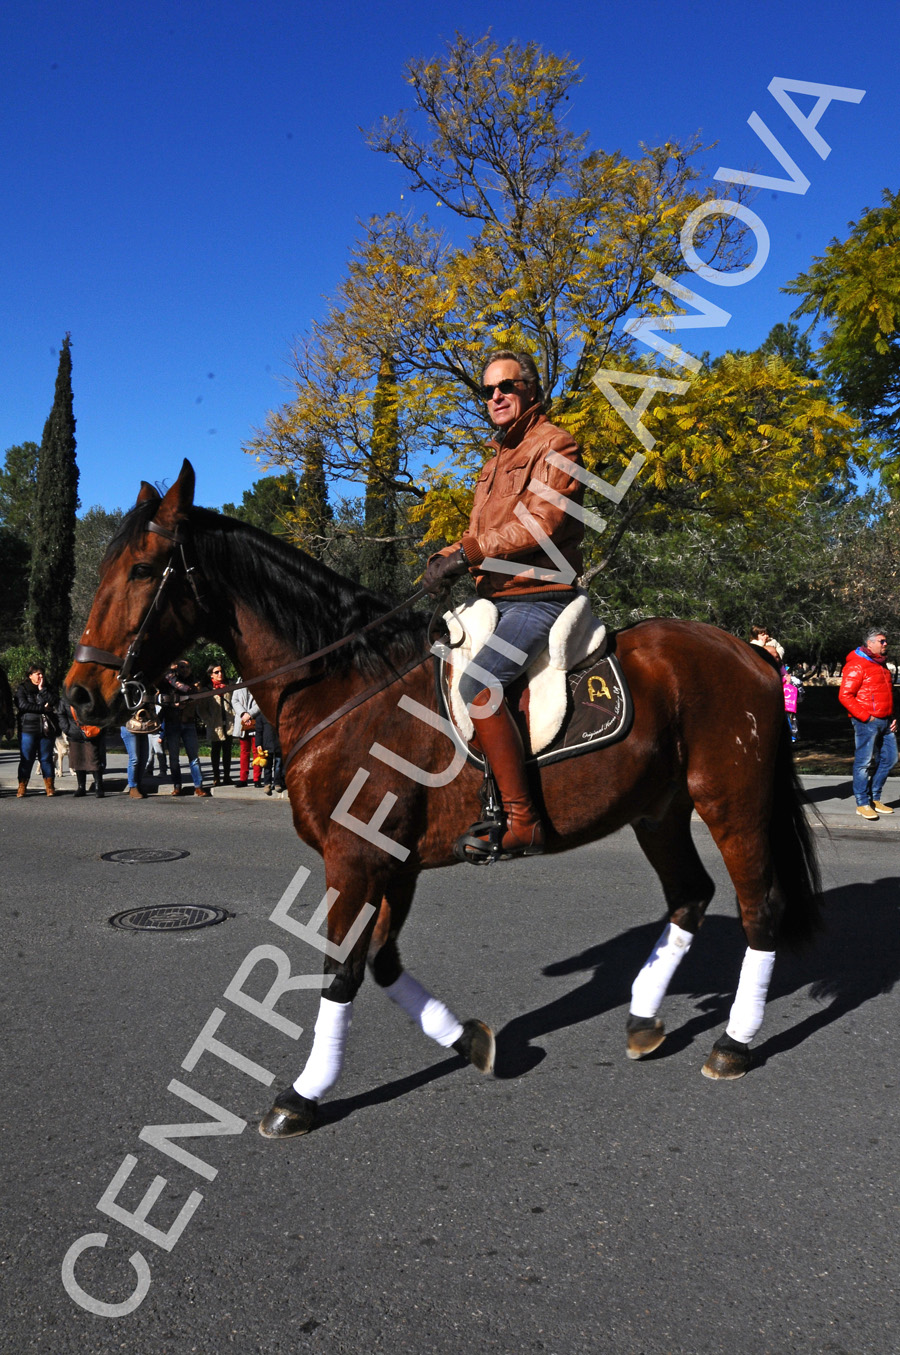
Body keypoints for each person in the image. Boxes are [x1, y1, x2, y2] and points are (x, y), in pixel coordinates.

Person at [422, 348, 585, 858]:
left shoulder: (557, 445)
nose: (495, 396)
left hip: (540, 598)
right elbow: (476, 533)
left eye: (506, 387)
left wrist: (468, 551)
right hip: (494, 598)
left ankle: (523, 820)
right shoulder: (492, 465)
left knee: (480, 683)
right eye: (487, 390)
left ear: (530, 392)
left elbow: (543, 523)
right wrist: (444, 557)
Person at [838, 628, 897, 820]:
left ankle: (874, 798)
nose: (885, 644)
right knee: (864, 762)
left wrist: (892, 716)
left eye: (885, 641)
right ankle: (862, 803)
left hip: (886, 721)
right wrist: (865, 717)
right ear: (869, 643)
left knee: (890, 758)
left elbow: (886, 694)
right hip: (867, 722)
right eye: (881, 641)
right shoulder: (857, 665)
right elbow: (845, 695)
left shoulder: (881, 665)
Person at [160, 661, 210, 797]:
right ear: (176, 668)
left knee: (194, 757)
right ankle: (177, 785)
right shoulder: (169, 681)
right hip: (172, 723)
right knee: (174, 758)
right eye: (182, 667)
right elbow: (162, 695)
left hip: (188, 723)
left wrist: (185, 700)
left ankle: (198, 786)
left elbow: (197, 698)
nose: (185, 669)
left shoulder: (194, 683)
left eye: (188, 666)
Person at [14, 662, 59, 797]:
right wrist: (42, 708)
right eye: (37, 673)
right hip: (28, 728)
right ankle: (22, 787)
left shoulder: (48, 688)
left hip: (46, 729)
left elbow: (55, 701)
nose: (40, 676)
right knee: (27, 758)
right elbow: (22, 705)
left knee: (46, 758)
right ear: (30, 675)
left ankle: (50, 787)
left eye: (42, 673)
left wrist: (42, 690)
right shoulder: (23, 689)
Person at [195, 663, 234, 786]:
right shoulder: (208, 689)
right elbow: (201, 708)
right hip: (215, 724)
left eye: (221, 671)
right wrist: (208, 720)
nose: (220, 674)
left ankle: (227, 776)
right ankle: (216, 776)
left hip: (228, 723)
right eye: (216, 672)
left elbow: (235, 701)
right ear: (211, 674)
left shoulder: (229, 686)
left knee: (227, 751)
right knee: (215, 751)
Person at [60, 703, 107, 797]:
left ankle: (99, 787)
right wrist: (67, 729)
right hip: (74, 733)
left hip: (91, 733)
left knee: (94, 759)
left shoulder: (90, 695)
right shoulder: (66, 699)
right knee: (78, 760)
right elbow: (61, 713)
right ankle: (81, 787)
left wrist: (97, 727)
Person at [232, 685, 261, 787]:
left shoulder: (258, 682)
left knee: (257, 751)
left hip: (256, 721)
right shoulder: (238, 684)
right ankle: (243, 779)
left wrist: (250, 714)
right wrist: (243, 714)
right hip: (242, 722)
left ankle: (257, 779)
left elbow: (261, 701)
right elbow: (234, 701)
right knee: (244, 751)